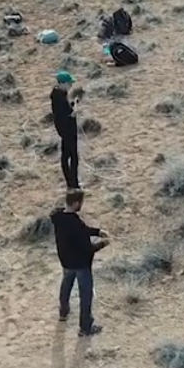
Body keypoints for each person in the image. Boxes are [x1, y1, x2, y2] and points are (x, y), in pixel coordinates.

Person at [50, 189, 110, 337]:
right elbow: (86, 248)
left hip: (66, 262)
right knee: (85, 294)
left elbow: (83, 230)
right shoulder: (74, 223)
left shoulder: (60, 218)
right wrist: (102, 244)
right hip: (81, 264)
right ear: (76, 203)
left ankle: (63, 312)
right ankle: (85, 327)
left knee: (66, 286)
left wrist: (97, 232)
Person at [51, 71, 81, 192]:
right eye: (69, 83)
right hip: (67, 130)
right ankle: (73, 184)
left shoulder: (59, 94)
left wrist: (73, 104)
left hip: (65, 129)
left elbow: (64, 109)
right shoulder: (59, 98)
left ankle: (73, 182)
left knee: (68, 155)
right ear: (62, 83)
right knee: (71, 157)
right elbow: (61, 115)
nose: (70, 85)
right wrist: (72, 114)